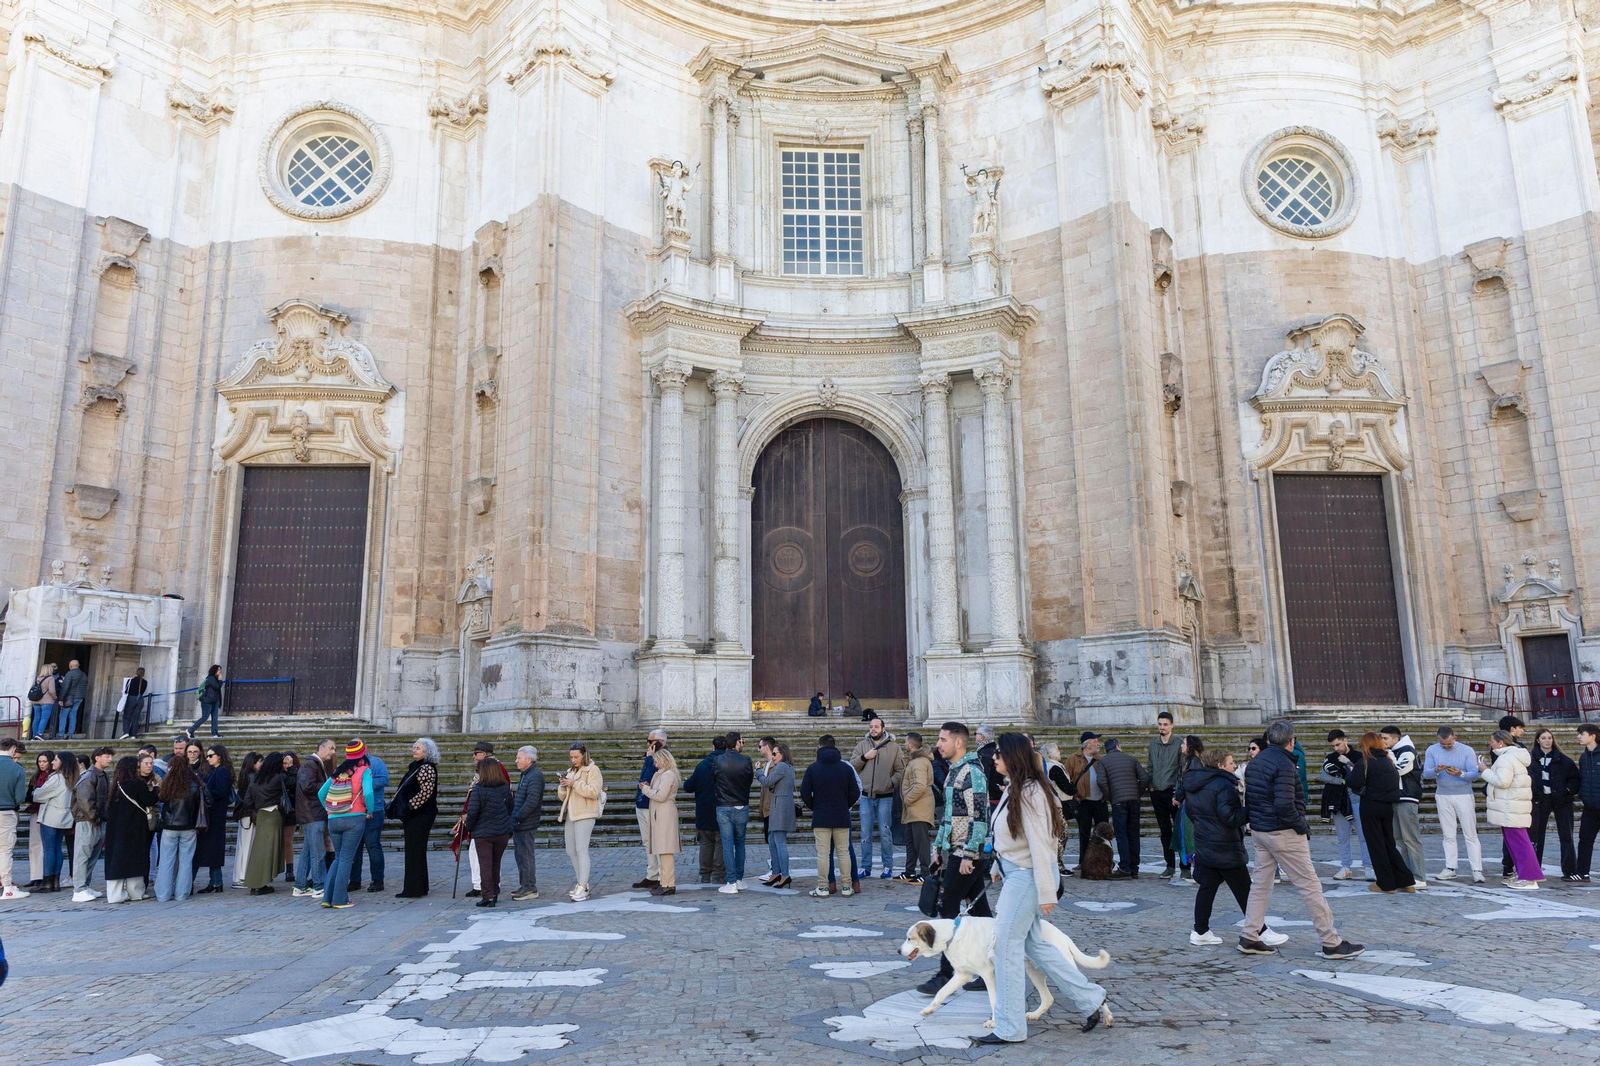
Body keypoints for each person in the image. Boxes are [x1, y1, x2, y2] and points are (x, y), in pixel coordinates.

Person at [978, 732, 1112, 1046]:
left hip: (1028, 878)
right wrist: (1000, 866)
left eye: (998, 753)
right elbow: (1014, 838)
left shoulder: (1032, 792)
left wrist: (1047, 890)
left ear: (1012, 757)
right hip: (1016, 874)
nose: (994, 758)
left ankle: (1010, 1026)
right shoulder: (1017, 788)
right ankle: (1091, 998)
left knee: (1005, 948)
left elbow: (1043, 843)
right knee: (1034, 946)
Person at [1238, 720, 1363, 959]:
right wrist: (1301, 826)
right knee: (1310, 886)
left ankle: (1249, 935)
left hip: (1261, 831)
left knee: (1260, 885)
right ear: (1291, 741)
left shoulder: (1255, 764)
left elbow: (1251, 799)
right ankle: (1331, 941)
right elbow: (1285, 805)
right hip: (1284, 832)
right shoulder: (1284, 765)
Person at [915, 721, 993, 996]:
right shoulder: (954, 773)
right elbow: (949, 816)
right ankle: (990, 968)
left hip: (966, 853)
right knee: (980, 913)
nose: (938, 744)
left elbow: (979, 816)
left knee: (947, 909)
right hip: (956, 851)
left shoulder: (972, 773)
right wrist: (938, 847)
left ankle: (946, 973)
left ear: (958, 742)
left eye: (943, 740)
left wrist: (969, 854)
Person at [1183, 748, 1288, 947]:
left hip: (1206, 842)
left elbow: (1191, 812)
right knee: (1244, 890)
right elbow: (1230, 817)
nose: (1234, 766)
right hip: (1225, 846)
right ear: (1221, 765)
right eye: (1231, 763)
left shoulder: (1195, 783)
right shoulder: (1223, 784)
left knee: (1207, 887)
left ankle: (1200, 930)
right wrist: (1250, 810)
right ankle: (1260, 930)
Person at [1344, 732, 1416, 894]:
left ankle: (1386, 883)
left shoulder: (1366, 762)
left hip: (1370, 806)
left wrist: (1349, 772)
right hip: (1387, 807)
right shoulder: (1388, 761)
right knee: (1389, 844)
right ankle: (1406, 881)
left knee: (1376, 846)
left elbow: (1354, 782)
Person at [1477, 729, 1540, 890]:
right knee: (1516, 843)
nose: (1490, 744)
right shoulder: (1512, 756)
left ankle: (1529, 877)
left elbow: (1502, 782)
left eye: (1492, 741)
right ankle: (1524, 875)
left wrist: (1484, 770)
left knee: (1520, 843)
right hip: (1511, 807)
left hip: (1511, 807)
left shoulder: (1506, 759)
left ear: (1500, 742)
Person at [315, 740, 375, 909]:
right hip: (354, 818)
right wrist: (370, 810)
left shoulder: (338, 772)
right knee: (347, 859)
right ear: (363, 753)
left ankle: (328, 897)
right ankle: (340, 899)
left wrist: (328, 810)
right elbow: (368, 792)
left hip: (334, 819)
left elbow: (321, 793)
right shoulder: (364, 770)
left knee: (338, 858)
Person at [800, 733, 859, 897]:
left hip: (821, 816)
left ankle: (823, 887)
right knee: (844, 852)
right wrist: (844, 805)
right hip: (841, 815)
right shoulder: (845, 768)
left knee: (823, 854)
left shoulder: (813, 768)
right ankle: (847, 887)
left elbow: (804, 792)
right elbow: (855, 792)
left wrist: (815, 806)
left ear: (819, 747)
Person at [1423, 726, 1483, 883]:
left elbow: (1474, 774)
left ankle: (1477, 869)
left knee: (1470, 833)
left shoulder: (1467, 750)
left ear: (1454, 737)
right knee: (1448, 834)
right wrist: (1436, 770)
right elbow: (1426, 773)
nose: (1446, 747)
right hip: (1443, 795)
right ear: (1438, 739)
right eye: (1443, 745)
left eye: (1449, 744)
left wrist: (1460, 773)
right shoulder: (1432, 750)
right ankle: (1450, 867)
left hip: (1463, 794)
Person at [851, 717, 905, 880]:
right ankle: (865, 867)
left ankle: (888, 866)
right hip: (866, 796)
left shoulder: (894, 747)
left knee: (885, 832)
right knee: (865, 834)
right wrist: (864, 757)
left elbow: (901, 770)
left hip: (885, 796)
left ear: (883, 728)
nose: (873, 729)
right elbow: (852, 765)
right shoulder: (862, 745)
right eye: (871, 726)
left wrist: (890, 782)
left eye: (876, 726)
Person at [1528, 727, 1579, 883]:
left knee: (1566, 835)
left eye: (1549, 738)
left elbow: (1575, 778)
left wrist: (1568, 790)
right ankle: (1534, 869)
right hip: (1540, 800)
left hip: (1562, 800)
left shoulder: (1563, 759)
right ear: (1538, 740)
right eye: (1543, 738)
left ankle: (1570, 870)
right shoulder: (1530, 759)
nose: (1547, 741)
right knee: (1537, 835)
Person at [462, 756, 513, 908]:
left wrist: (469, 828)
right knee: (495, 863)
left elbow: (473, 812)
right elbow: (511, 808)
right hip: (501, 832)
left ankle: (488, 895)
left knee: (485, 864)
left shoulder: (478, 790)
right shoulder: (505, 788)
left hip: (483, 833)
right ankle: (494, 891)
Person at [392, 738, 440, 898]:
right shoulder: (416, 766)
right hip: (414, 815)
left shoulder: (427, 768)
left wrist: (408, 807)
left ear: (427, 752)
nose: (414, 750)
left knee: (415, 851)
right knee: (415, 851)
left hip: (420, 815)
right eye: (414, 747)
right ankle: (419, 886)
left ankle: (414, 889)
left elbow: (425, 793)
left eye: (418, 748)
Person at [105, 755, 156, 903]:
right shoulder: (136, 783)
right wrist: (156, 789)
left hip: (116, 829)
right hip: (135, 827)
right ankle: (136, 892)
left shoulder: (116, 785)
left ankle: (115, 894)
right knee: (136, 859)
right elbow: (149, 799)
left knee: (117, 860)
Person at [1379, 726, 1425, 887]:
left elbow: (1399, 770)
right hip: (1396, 798)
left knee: (1410, 839)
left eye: (1385, 738)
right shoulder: (1395, 751)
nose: (1382, 741)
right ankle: (1406, 875)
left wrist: (1388, 756)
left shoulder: (1407, 751)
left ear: (1395, 738)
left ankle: (1419, 877)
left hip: (1407, 798)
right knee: (1398, 840)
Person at [557, 742, 603, 902]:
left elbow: (594, 791)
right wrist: (563, 786)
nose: (573, 759)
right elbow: (562, 797)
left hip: (586, 813)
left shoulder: (593, 770)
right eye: (571, 757)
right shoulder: (571, 771)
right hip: (571, 814)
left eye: (576, 756)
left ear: (584, 755)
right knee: (571, 850)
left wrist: (574, 783)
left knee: (581, 849)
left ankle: (582, 886)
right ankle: (582, 883)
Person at [1319, 730, 1367, 880]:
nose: (1335, 748)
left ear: (1345, 740)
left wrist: (1349, 764)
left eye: (1338, 744)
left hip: (1357, 799)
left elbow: (1363, 775)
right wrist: (1342, 781)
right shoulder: (1330, 758)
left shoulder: (1359, 756)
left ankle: (1369, 867)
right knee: (1342, 836)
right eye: (1333, 746)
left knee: (1364, 835)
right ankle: (1345, 866)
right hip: (1339, 800)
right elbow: (1322, 776)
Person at [154, 752, 203, 902]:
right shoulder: (195, 784)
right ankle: (182, 893)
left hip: (169, 826)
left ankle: (163, 894)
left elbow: (161, 799)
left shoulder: (168, 783)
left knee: (166, 861)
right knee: (186, 862)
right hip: (188, 826)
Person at [1099, 738, 1149, 879]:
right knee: (1133, 833)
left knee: (1122, 835)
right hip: (1134, 800)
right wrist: (1137, 793)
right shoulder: (1131, 759)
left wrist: (1110, 796)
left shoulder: (1104, 761)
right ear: (1118, 746)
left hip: (1118, 802)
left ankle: (1125, 868)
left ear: (1106, 750)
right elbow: (1144, 778)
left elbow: (1101, 781)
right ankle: (1134, 868)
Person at [70, 746, 114, 902]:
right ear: (97, 757)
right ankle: (79, 888)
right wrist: (94, 817)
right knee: (83, 855)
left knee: (92, 855)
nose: (110, 759)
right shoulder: (89, 776)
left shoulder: (102, 775)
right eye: (107, 756)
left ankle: (85, 885)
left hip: (97, 819)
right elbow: (85, 800)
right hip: (88, 820)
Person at [713, 731, 754, 893]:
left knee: (727, 844)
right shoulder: (746, 760)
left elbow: (714, 779)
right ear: (737, 743)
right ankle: (739, 878)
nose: (742, 744)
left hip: (724, 805)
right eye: (742, 742)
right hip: (741, 804)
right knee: (740, 843)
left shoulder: (718, 760)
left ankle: (731, 881)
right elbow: (749, 780)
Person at [32, 751, 79, 893]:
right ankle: (56, 880)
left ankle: (47, 881)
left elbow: (38, 795)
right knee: (57, 849)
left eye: (56, 760)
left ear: (62, 762)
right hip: (65, 817)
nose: (53, 762)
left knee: (49, 849)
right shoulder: (73, 778)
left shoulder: (56, 778)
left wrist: (36, 792)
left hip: (51, 816)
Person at [293, 740, 334, 897]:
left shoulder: (316, 765)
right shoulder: (310, 765)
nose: (333, 752)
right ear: (321, 748)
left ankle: (300, 885)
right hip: (312, 814)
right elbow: (308, 786)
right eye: (331, 748)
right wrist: (327, 785)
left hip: (312, 813)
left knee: (308, 851)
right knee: (318, 851)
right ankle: (319, 886)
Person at [639, 745, 682, 896]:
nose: (655, 763)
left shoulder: (668, 775)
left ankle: (668, 884)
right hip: (660, 813)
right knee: (662, 851)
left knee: (665, 851)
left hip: (664, 814)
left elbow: (661, 796)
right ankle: (665, 882)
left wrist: (645, 789)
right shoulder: (662, 774)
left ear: (664, 760)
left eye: (657, 761)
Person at [240, 752, 285, 895]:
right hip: (273, 815)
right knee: (269, 851)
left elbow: (247, 801)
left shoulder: (255, 780)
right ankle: (261, 883)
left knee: (259, 851)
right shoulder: (278, 778)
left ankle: (255, 883)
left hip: (260, 815)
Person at [684, 736, 726, 885]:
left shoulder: (702, 765)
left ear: (713, 747)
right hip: (722, 809)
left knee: (706, 844)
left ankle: (705, 874)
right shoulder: (726, 765)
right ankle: (718, 874)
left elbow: (688, 786)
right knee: (720, 842)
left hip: (704, 811)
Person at [1063, 732, 1106, 875]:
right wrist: (1074, 795)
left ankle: (1104, 861)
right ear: (1087, 744)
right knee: (1084, 833)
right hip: (1083, 802)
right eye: (1095, 741)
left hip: (1100, 801)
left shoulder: (1100, 759)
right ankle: (1083, 862)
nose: (1098, 743)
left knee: (1103, 833)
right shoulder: (1073, 759)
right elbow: (1066, 779)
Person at [348, 742, 388, 893]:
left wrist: (365, 784)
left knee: (373, 845)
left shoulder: (376, 763)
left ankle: (378, 880)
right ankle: (354, 880)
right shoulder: (349, 765)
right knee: (354, 847)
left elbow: (384, 780)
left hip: (374, 811)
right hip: (354, 811)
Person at [192, 744, 233, 894]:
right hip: (214, 815)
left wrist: (204, 789)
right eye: (207, 755)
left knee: (213, 849)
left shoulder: (222, 771)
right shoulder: (216, 771)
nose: (207, 758)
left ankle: (216, 882)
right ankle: (215, 881)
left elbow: (221, 791)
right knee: (212, 849)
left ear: (219, 757)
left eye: (211, 755)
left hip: (216, 815)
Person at [1147, 711, 1183, 878]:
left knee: (1180, 830)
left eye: (1165, 724)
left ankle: (1185, 866)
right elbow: (1150, 766)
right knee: (1164, 831)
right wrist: (1151, 785)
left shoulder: (1178, 743)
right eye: (1160, 724)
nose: (1162, 727)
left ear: (1172, 725)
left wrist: (1178, 791)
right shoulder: (1153, 743)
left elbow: (1182, 769)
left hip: (1172, 792)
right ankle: (1170, 865)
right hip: (1157, 792)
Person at [755, 740, 795, 888]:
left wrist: (758, 771)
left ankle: (785, 874)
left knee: (779, 841)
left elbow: (767, 781)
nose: (772, 756)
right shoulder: (786, 767)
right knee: (772, 840)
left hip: (780, 806)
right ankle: (776, 872)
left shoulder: (782, 766)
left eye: (775, 753)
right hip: (779, 805)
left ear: (782, 754)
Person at [897, 732, 934, 885]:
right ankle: (910, 870)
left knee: (921, 842)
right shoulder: (915, 761)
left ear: (910, 744)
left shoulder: (919, 762)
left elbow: (920, 785)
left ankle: (926, 873)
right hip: (913, 809)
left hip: (919, 808)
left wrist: (907, 799)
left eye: (906, 742)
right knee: (911, 842)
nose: (904, 744)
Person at [632, 729, 665, 890]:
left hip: (652, 804)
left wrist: (650, 758)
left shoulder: (662, 759)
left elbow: (650, 779)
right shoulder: (650, 758)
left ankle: (661, 875)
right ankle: (652, 874)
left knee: (656, 841)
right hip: (642, 803)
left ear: (660, 742)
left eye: (651, 741)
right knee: (647, 842)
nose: (648, 744)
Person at [1496, 714, 1528, 878]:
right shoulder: (1502, 751)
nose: (1522, 731)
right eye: (1519, 728)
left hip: (1517, 794)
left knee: (1516, 834)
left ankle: (1517, 866)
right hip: (1509, 795)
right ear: (1511, 729)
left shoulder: (1518, 748)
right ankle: (1509, 865)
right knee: (1511, 834)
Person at [231, 752, 261, 888]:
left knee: (243, 845)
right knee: (247, 845)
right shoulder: (252, 777)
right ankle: (242, 876)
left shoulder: (245, 775)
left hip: (244, 813)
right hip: (248, 813)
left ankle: (240, 876)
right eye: (260, 762)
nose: (262, 764)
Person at [23, 749, 50, 889]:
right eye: (39, 761)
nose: (42, 764)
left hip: (47, 812)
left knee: (44, 846)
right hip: (35, 811)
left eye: (44, 761)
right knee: (34, 845)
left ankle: (43, 876)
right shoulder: (35, 777)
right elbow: (29, 796)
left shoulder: (52, 777)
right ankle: (35, 876)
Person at [1577, 724, 1600, 882]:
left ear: (1592, 736)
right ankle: (1582, 873)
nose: (1578, 736)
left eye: (1582, 734)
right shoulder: (1583, 757)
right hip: (1590, 807)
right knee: (1584, 839)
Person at [279, 751, 299, 883]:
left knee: (287, 841)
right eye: (285, 763)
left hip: (290, 811)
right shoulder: (280, 775)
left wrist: (292, 768)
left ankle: (290, 870)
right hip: (280, 809)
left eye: (289, 763)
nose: (286, 766)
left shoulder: (296, 773)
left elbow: (294, 784)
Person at [189, 664, 225, 738]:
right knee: (204, 717)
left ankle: (215, 733)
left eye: (220, 670)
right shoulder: (211, 678)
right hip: (207, 701)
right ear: (214, 670)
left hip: (214, 701)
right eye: (218, 670)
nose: (220, 672)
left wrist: (219, 702)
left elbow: (218, 692)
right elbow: (217, 687)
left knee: (215, 718)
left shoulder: (216, 679)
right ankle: (190, 730)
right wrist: (220, 680)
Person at [58, 660, 87, 740]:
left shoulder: (70, 674)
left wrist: (61, 699)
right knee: (73, 715)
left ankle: (61, 734)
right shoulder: (83, 674)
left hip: (69, 698)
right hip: (79, 697)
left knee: (63, 715)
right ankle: (70, 734)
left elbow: (65, 687)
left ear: (70, 666)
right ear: (78, 665)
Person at [29, 664, 58, 741]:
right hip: (47, 701)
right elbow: (52, 691)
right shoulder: (50, 678)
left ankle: (34, 735)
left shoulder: (37, 678)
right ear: (49, 670)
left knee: (36, 718)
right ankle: (39, 734)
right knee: (44, 718)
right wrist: (55, 698)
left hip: (36, 701)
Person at [120, 668, 149, 739]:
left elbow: (126, 691)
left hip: (131, 698)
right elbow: (142, 691)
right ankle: (133, 734)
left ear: (136, 672)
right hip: (140, 700)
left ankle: (126, 732)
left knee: (126, 716)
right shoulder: (145, 682)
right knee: (135, 718)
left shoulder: (131, 681)